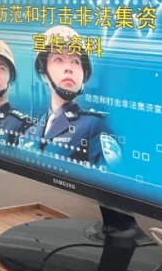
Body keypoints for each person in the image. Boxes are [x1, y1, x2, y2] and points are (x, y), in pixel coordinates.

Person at [28, 25, 122, 168]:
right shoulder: (31, 131)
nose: (68, 68)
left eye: (76, 61)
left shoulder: (95, 127)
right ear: (43, 73)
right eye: (58, 59)